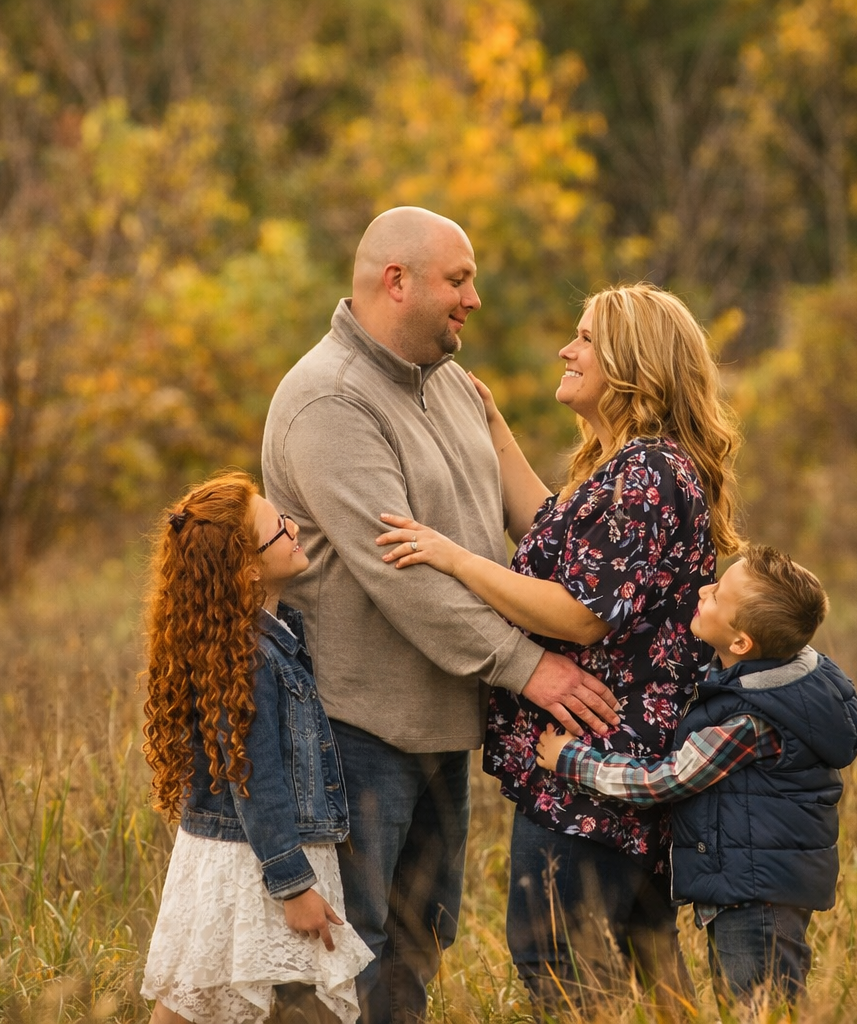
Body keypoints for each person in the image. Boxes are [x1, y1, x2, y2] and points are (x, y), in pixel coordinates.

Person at [261, 207, 620, 1024]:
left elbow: (535, 533)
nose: (475, 298)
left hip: (442, 725)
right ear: (398, 281)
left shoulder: (455, 388)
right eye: (459, 280)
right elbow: (407, 582)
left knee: (421, 943)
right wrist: (531, 668)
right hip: (352, 728)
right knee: (339, 960)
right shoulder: (329, 402)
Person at [375, 283, 743, 1012]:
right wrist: (494, 425)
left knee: (557, 963)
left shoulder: (647, 472)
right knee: (652, 964)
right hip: (618, 755)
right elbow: (549, 529)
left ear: (633, 363)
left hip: (595, 759)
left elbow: (581, 613)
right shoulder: (629, 465)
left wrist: (449, 556)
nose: (567, 351)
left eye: (584, 339)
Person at [535, 546, 857, 1014]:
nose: (704, 590)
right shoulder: (778, 672)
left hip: (755, 894)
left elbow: (665, 782)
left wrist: (573, 760)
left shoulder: (749, 723)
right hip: (759, 885)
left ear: (742, 644)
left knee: (759, 1009)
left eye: (717, 597)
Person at [139, 470, 373, 1024]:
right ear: (247, 570)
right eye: (279, 528)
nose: (295, 528)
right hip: (255, 861)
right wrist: (293, 885)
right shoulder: (251, 657)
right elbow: (255, 778)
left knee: (202, 996)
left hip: (241, 853)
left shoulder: (258, 640)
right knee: (199, 999)